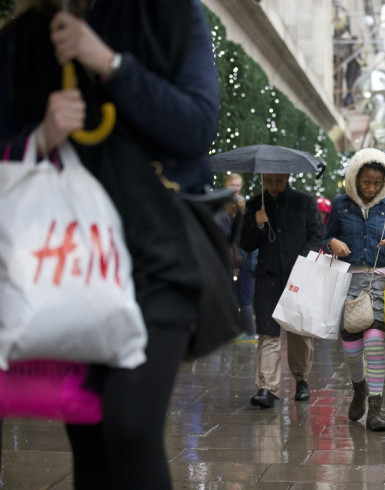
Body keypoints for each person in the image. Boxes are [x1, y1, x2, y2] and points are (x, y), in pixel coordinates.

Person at [0, 1, 220, 488]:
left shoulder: (172, 14)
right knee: (91, 438)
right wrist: (41, 136)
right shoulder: (27, 37)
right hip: (65, 262)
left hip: (158, 255)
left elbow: (196, 128)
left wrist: (113, 66)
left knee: (130, 426)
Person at [323, 148, 385, 431]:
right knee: (352, 349)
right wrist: (332, 241)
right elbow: (324, 238)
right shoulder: (341, 205)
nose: (371, 188)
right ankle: (359, 388)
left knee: (374, 343)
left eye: (376, 183)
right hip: (348, 284)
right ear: (355, 179)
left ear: (384, 182)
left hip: (379, 282)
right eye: (366, 182)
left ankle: (375, 410)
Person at [241, 173, 324, 408]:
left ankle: (302, 379)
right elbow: (246, 243)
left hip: (300, 276)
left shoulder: (304, 201)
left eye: (278, 180)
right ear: (263, 178)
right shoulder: (255, 204)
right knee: (268, 332)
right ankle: (267, 387)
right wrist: (257, 223)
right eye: (268, 181)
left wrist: (304, 261)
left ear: (287, 176)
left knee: (299, 332)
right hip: (268, 278)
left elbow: (317, 235)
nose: (274, 186)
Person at [225, 173, 258, 343]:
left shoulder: (244, 207)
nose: (236, 188)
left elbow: (241, 237)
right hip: (237, 257)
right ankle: (243, 330)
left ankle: (250, 331)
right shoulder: (226, 206)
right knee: (237, 293)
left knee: (243, 294)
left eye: (238, 185)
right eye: (233, 185)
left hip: (245, 258)